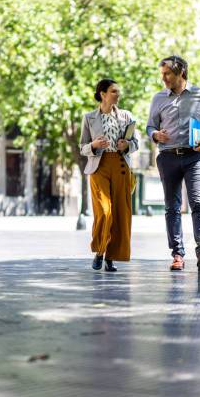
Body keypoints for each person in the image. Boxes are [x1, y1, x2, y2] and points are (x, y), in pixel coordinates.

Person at [146, 55, 200, 272]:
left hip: (194, 157)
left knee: (199, 203)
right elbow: (150, 126)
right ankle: (178, 253)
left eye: (167, 73)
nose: (163, 78)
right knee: (172, 207)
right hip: (168, 157)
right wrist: (155, 135)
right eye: (162, 74)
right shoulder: (158, 98)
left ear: (181, 72)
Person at [80, 79, 139, 272]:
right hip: (99, 167)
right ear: (103, 94)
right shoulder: (89, 118)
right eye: (114, 91)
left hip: (121, 166)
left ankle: (111, 258)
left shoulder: (126, 116)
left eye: (118, 92)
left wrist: (127, 145)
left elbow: (135, 143)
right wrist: (94, 146)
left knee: (120, 214)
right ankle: (99, 251)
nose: (117, 95)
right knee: (105, 211)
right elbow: (82, 147)